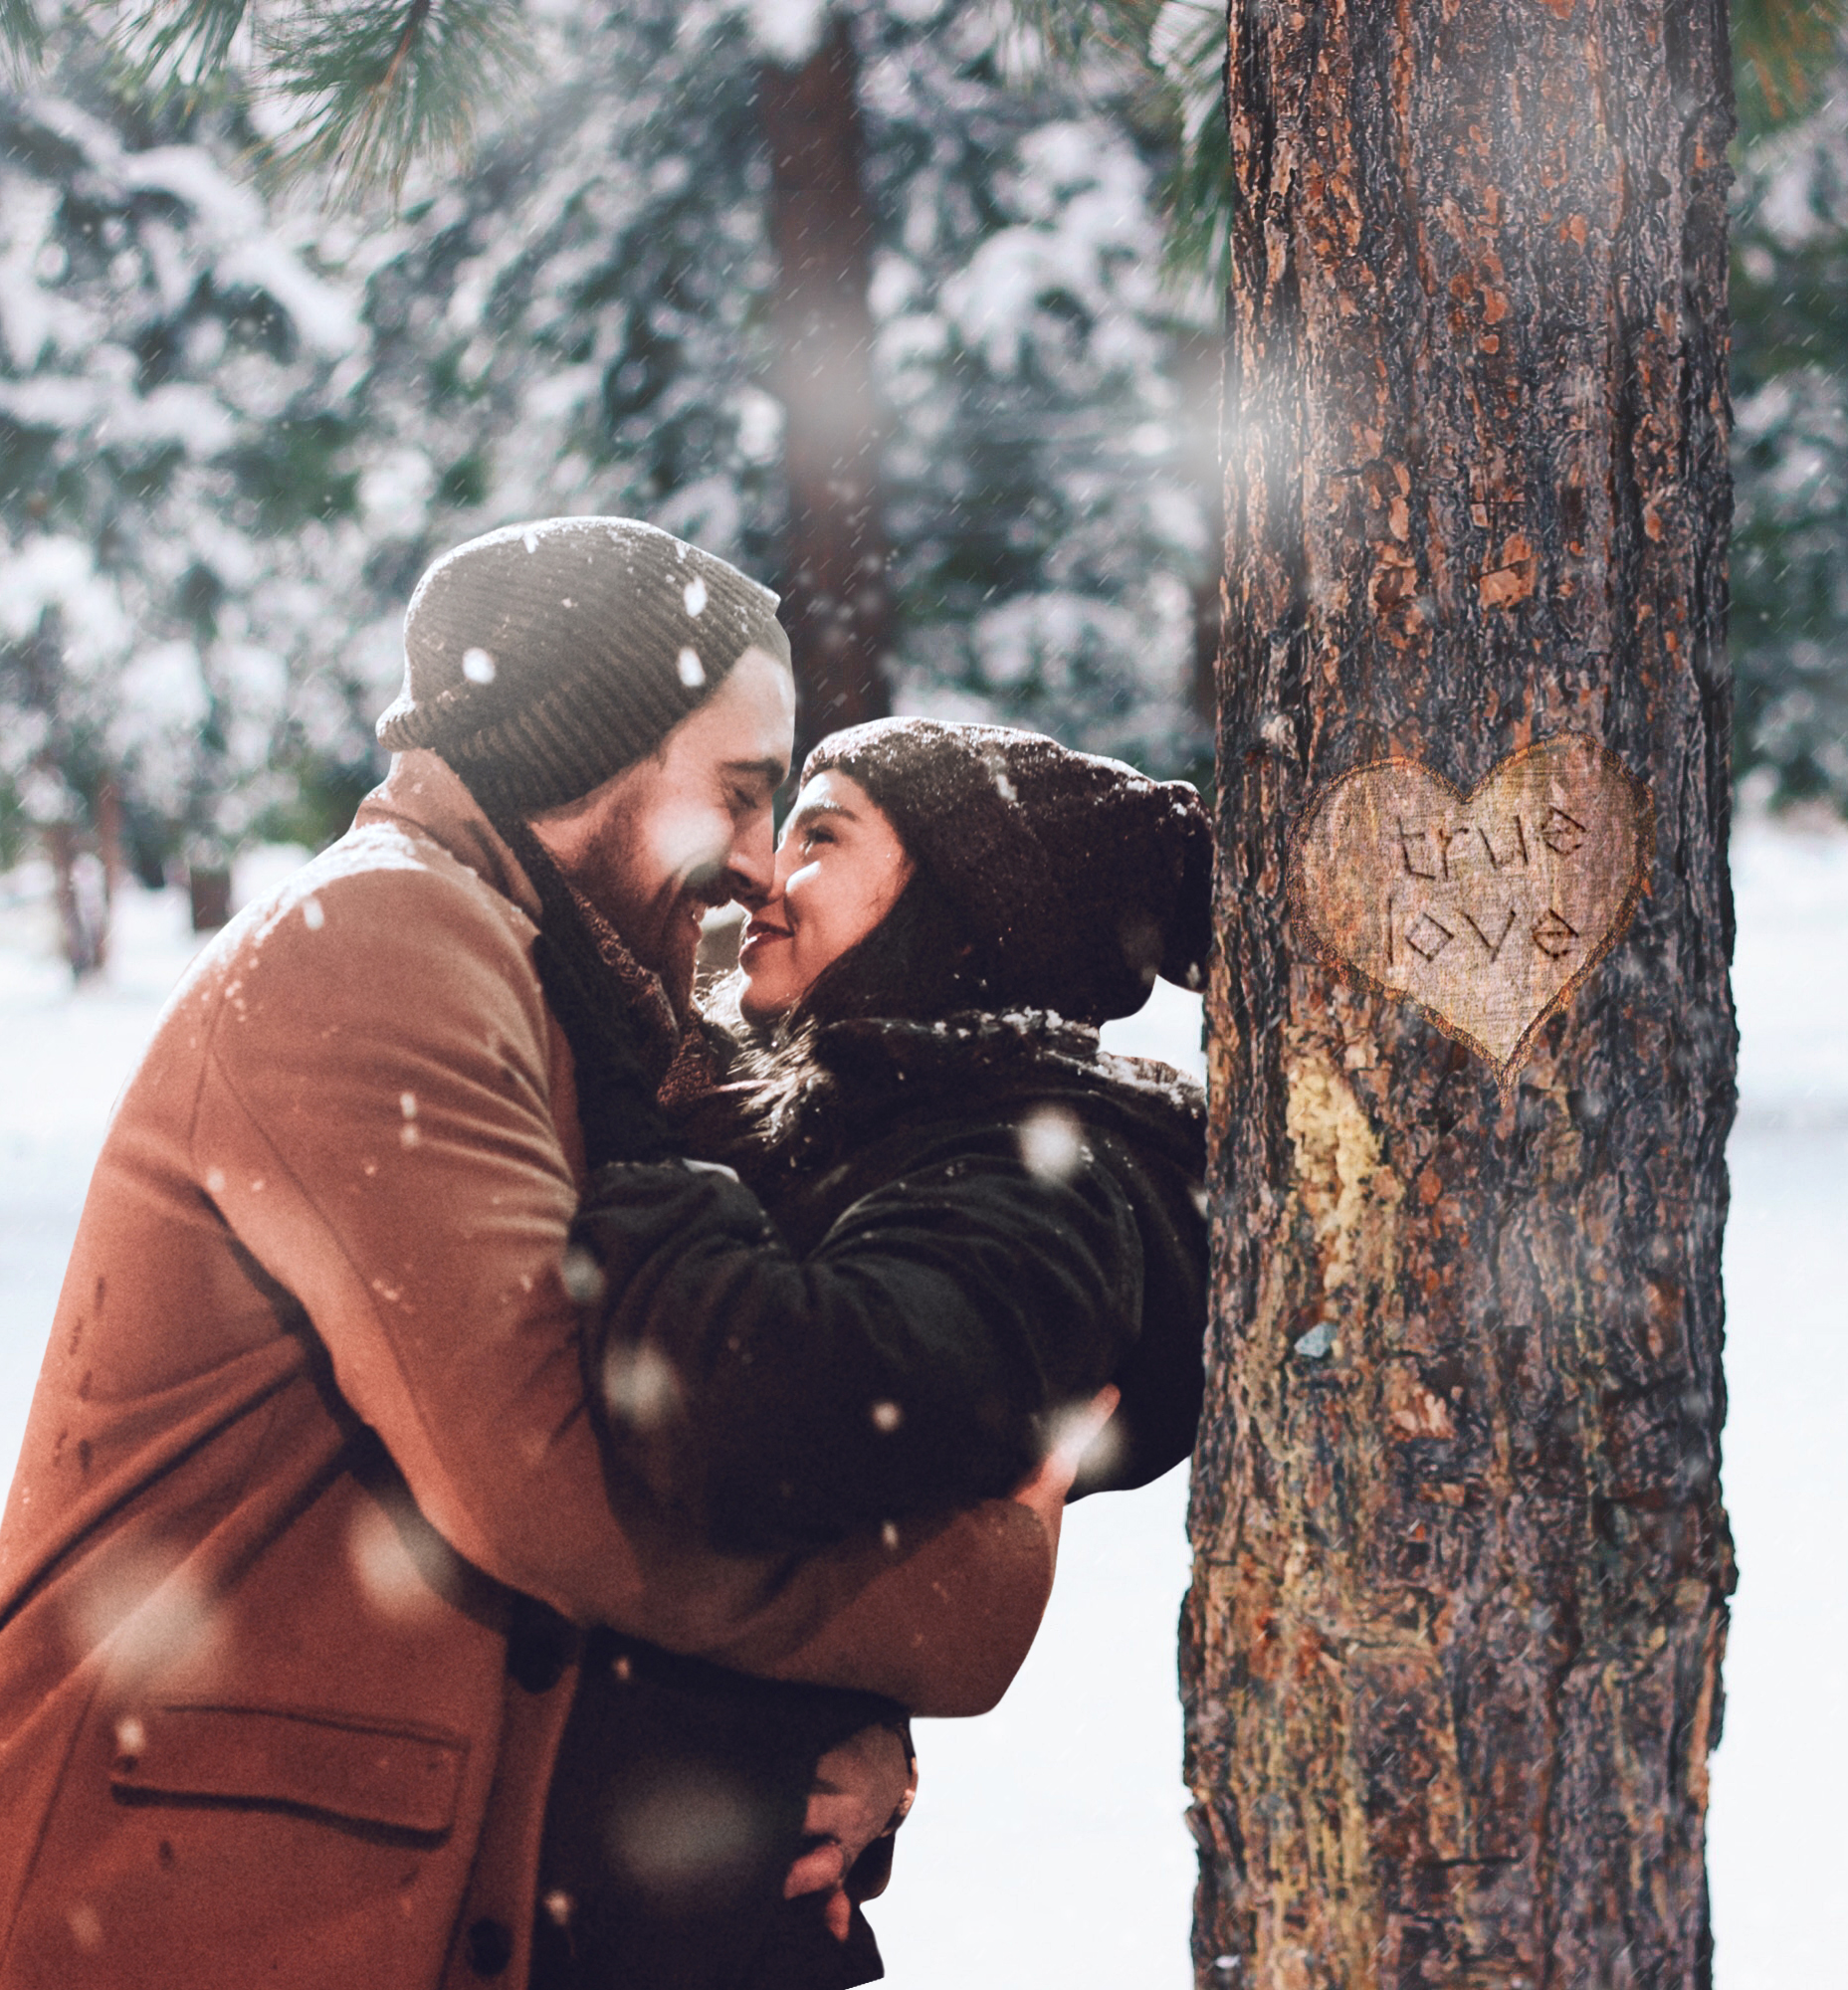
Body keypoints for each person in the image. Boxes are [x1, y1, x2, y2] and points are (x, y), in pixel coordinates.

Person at [0, 519, 1063, 1990]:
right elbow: (546, 1481)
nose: (759, 868)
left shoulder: (593, 1007)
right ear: (590, 756)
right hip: (206, 1910)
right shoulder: (375, 942)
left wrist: (833, 1739)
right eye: (741, 794)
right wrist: (965, 1595)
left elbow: (712, 1425)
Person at [537, 716, 1211, 1987]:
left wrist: (631, 1159)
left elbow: (789, 1411)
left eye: (821, 837)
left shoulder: (1031, 1171)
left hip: (698, 1919)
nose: (763, 879)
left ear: (959, 911)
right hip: (660, 1883)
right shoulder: (849, 1121)